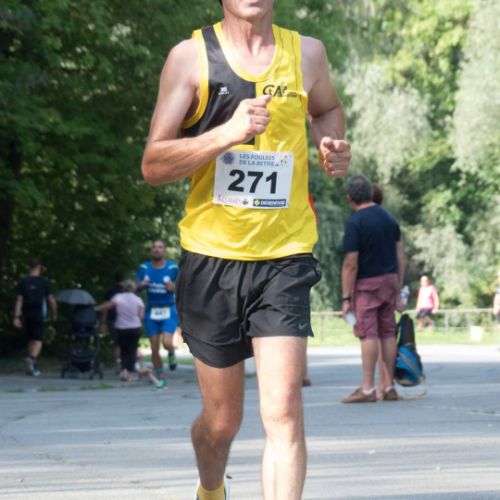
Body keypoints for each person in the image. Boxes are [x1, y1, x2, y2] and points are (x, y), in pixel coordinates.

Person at [141, 1, 351, 498]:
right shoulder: (190, 58)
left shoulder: (308, 54)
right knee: (222, 423)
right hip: (212, 256)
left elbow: (327, 110)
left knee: (283, 410)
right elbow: (153, 164)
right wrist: (228, 133)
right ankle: (210, 488)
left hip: (285, 255)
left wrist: (330, 144)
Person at [340, 175, 405, 403]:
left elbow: (351, 263)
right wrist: (398, 286)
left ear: (350, 198)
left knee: (368, 333)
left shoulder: (355, 222)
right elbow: (400, 256)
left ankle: (367, 389)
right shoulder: (388, 218)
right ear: (370, 193)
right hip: (390, 281)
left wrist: (346, 298)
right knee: (388, 332)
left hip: (367, 284)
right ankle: (388, 386)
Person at [136, 239, 180, 389]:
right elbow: (135, 288)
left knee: (166, 343)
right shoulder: (144, 268)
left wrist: (174, 287)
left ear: (164, 251)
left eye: (160, 247)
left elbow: (184, 287)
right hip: (151, 310)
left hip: (169, 309)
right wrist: (140, 285)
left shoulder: (173, 268)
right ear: (151, 251)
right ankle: (161, 377)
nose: (157, 249)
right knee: (154, 347)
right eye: (154, 247)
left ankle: (171, 352)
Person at [13, 258, 57, 376]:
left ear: (29, 267)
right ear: (39, 267)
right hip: (39, 313)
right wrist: (54, 314)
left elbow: (19, 300)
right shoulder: (44, 282)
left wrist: (16, 317)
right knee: (38, 339)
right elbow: (51, 300)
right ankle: (31, 358)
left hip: (27, 313)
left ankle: (32, 367)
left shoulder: (24, 282)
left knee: (31, 338)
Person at [95, 279, 145, 383]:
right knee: (132, 350)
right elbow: (141, 316)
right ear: (134, 288)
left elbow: (107, 306)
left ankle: (124, 371)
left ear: (123, 288)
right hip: (135, 328)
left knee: (123, 350)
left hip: (121, 328)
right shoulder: (138, 300)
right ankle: (129, 372)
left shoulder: (118, 297)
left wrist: (95, 308)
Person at [100, 272, 125, 373]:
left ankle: (117, 362)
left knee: (117, 342)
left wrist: (103, 323)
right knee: (127, 342)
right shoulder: (129, 291)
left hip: (113, 319)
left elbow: (105, 308)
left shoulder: (110, 292)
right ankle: (126, 363)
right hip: (128, 320)